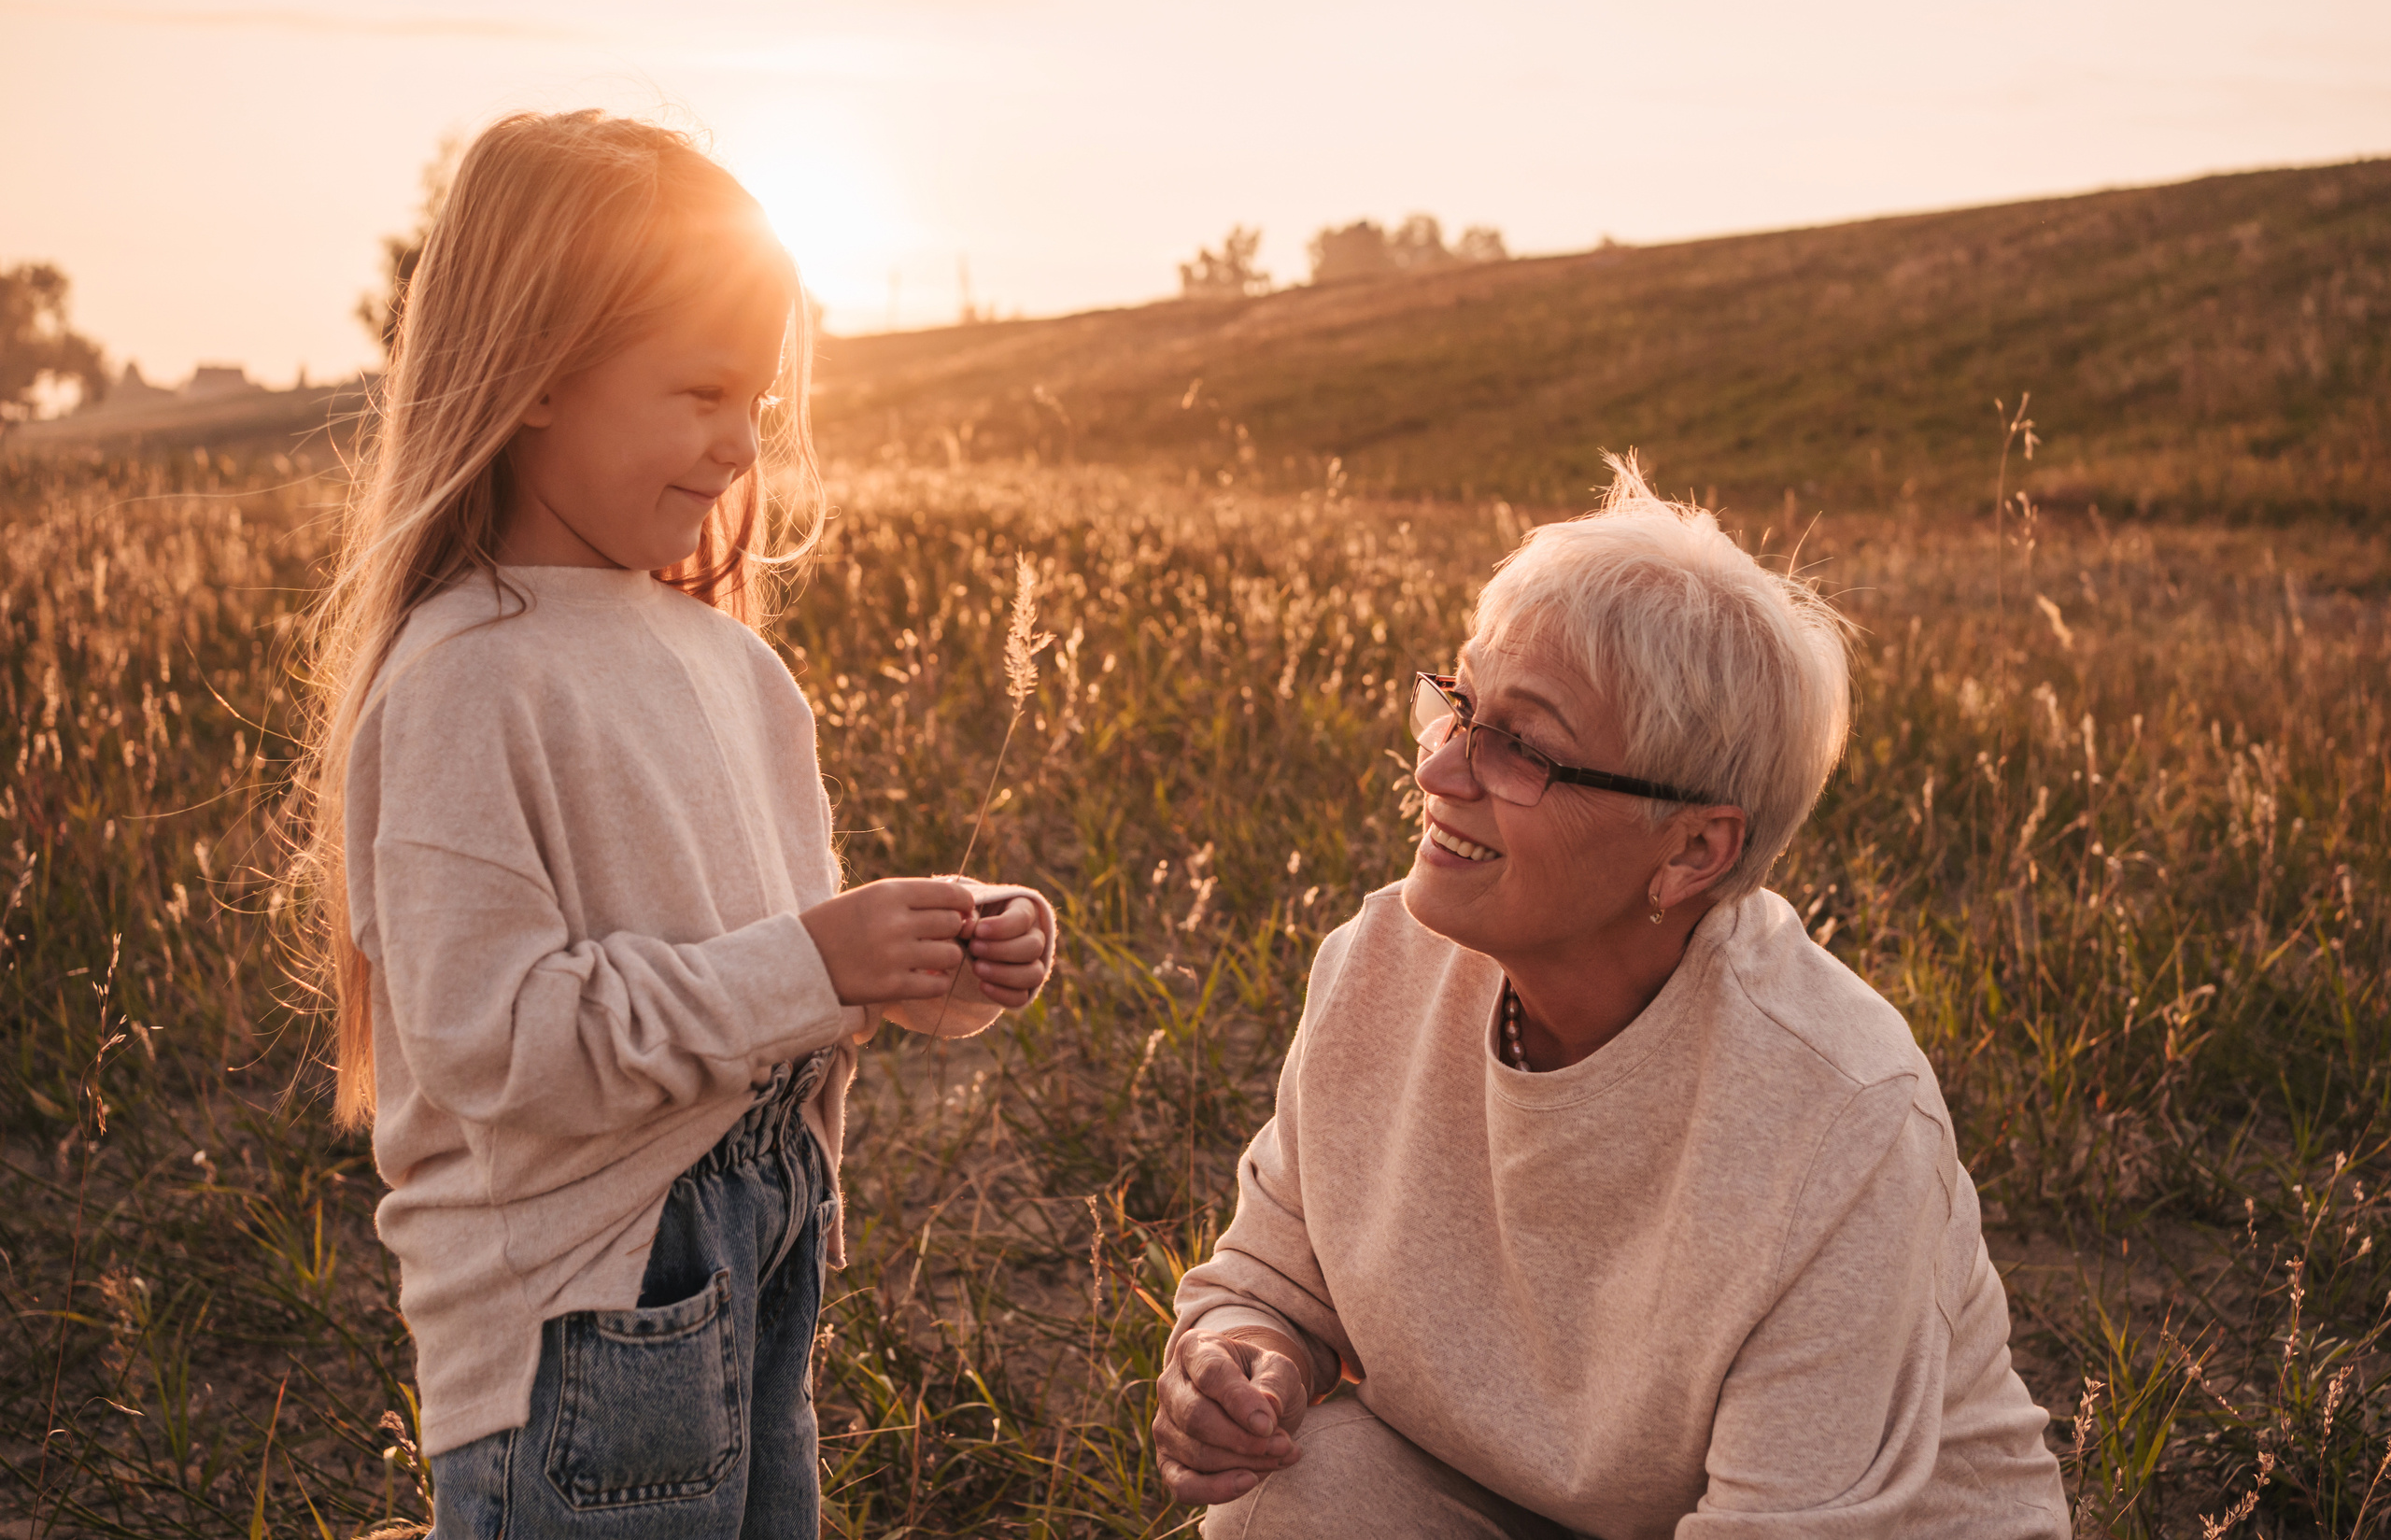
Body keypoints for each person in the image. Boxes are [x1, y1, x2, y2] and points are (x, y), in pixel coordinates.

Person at [290, 110, 1054, 1538]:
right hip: (588, 1308)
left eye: (755, 402)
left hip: (765, 1249)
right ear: (530, 376)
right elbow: (498, 1042)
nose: (736, 443)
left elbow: (786, 988)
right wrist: (817, 960)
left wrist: (933, 968)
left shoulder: (737, 666)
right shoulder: (469, 672)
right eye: (700, 389)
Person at [1153, 459, 2068, 1538]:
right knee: (1290, 1498)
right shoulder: (1376, 966)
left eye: (1523, 749)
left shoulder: (1839, 1119)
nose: (1440, 773)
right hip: (1523, 1499)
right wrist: (1243, 1356)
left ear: (1690, 848)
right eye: (1456, 705)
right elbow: (1273, 1278)